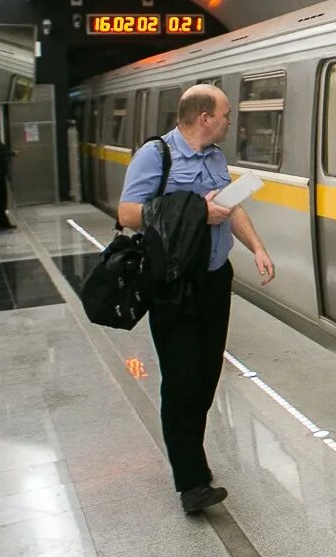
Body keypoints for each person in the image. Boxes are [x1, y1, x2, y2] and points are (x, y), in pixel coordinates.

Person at [117, 84, 276, 514]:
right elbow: (128, 213)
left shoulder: (215, 158)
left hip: (212, 280)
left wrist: (256, 248)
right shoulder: (156, 155)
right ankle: (191, 481)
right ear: (204, 117)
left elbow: (232, 208)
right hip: (172, 282)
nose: (230, 120)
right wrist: (195, 211)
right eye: (225, 113)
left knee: (205, 377)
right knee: (181, 378)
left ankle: (191, 455)